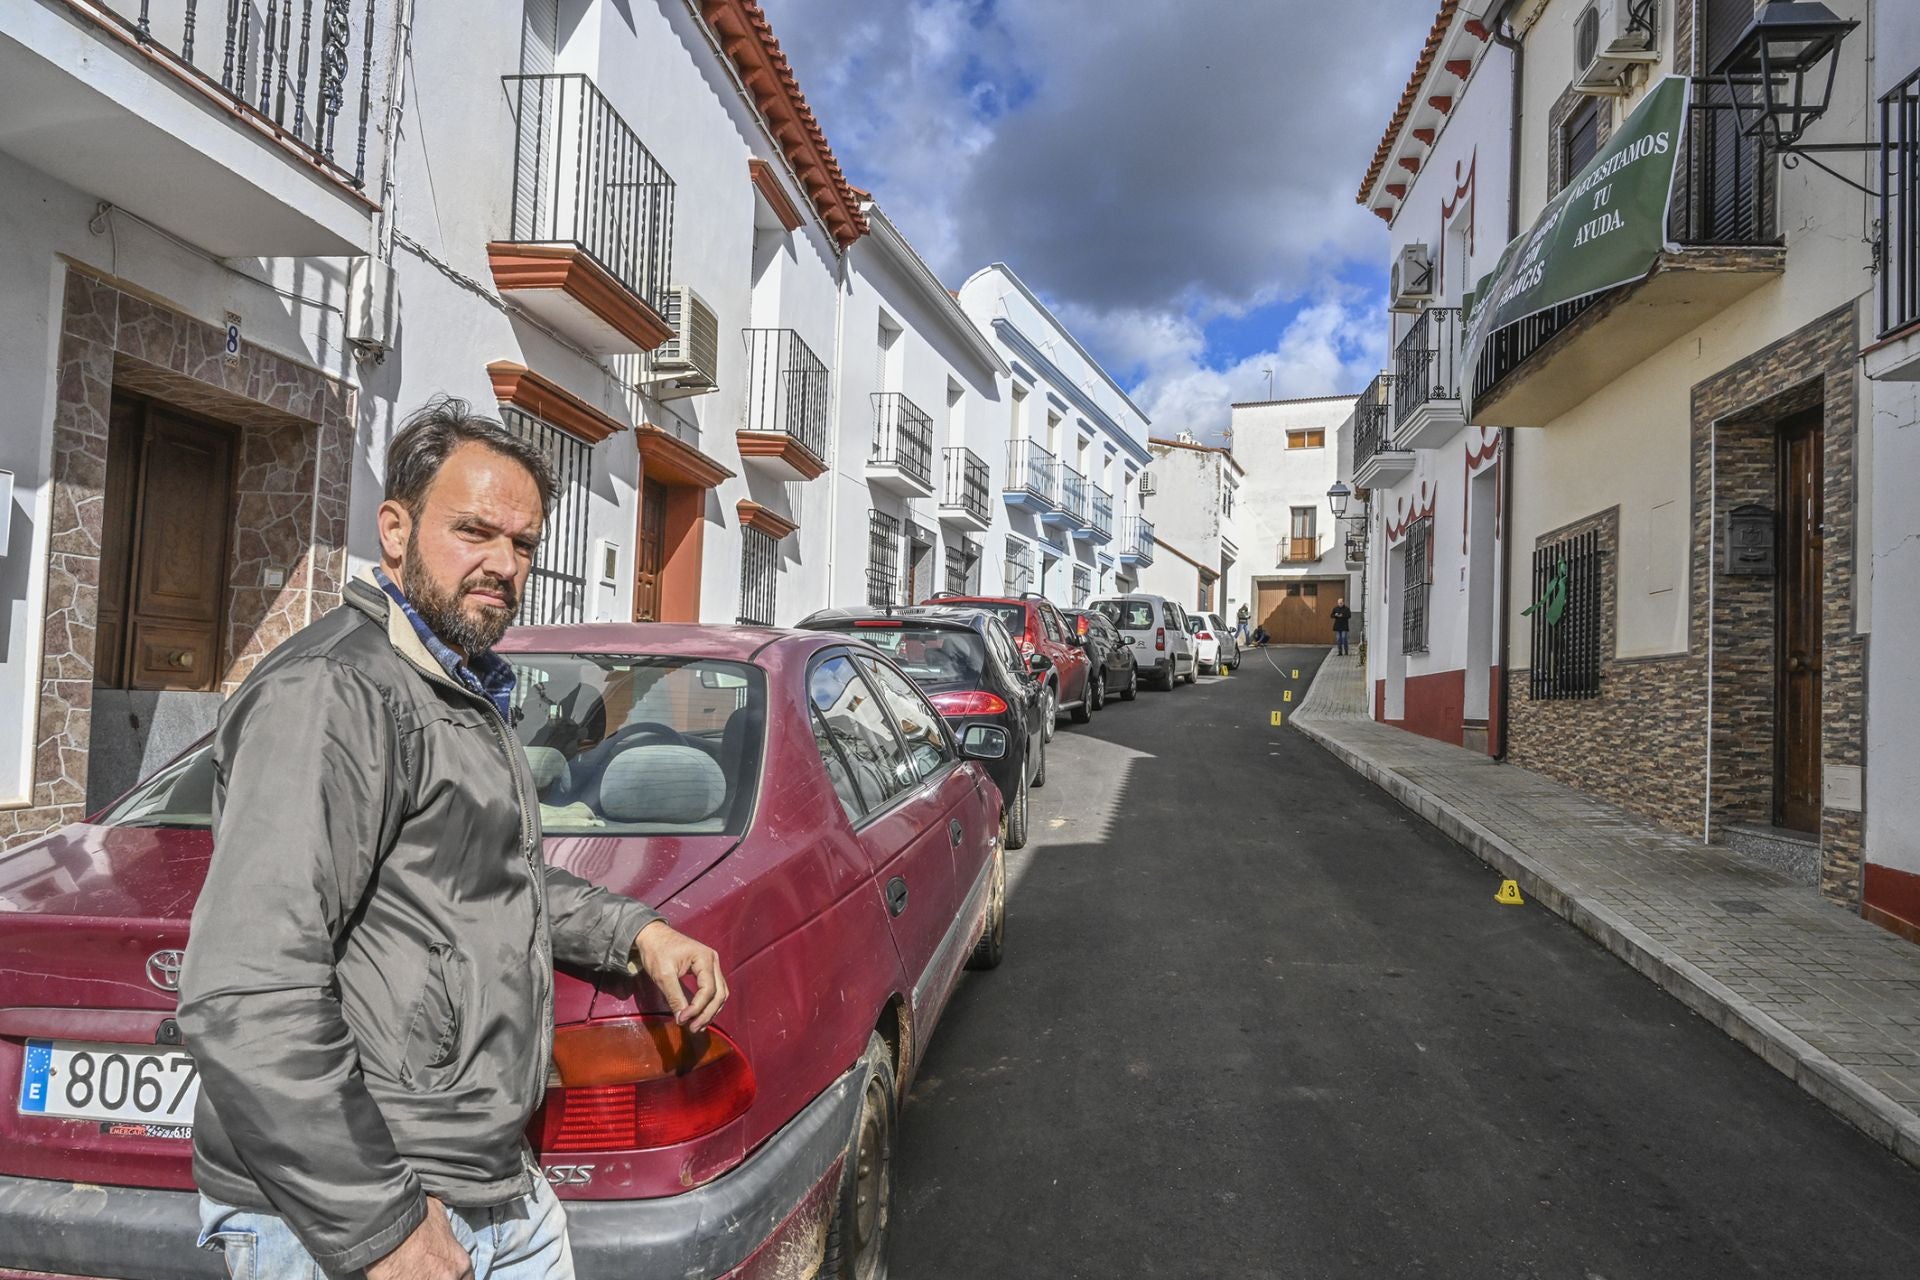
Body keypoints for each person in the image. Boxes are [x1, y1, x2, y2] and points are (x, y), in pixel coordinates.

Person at [178, 399, 728, 1280]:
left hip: (484, 1184)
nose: (504, 565)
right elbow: (247, 989)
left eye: (523, 545)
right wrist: (380, 1228)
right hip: (367, 1210)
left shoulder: (450, 684)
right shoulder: (338, 694)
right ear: (394, 529)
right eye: (475, 531)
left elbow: (482, 871)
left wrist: (637, 932)